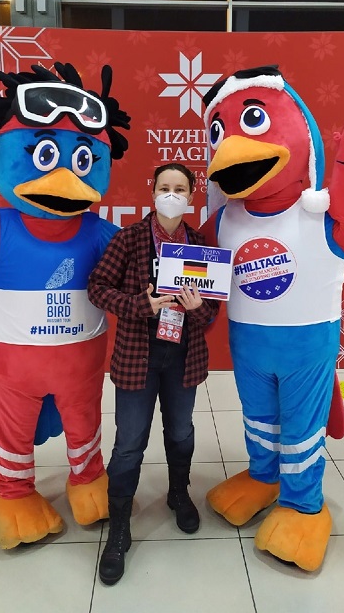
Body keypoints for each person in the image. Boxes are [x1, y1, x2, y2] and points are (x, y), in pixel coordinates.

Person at [87, 163, 220, 585]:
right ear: (154, 192)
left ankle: (178, 493)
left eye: (180, 188)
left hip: (183, 355)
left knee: (181, 431)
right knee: (129, 443)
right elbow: (97, 287)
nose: (171, 194)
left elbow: (212, 311)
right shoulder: (127, 239)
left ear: (191, 196)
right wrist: (140, 304)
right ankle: (119, 527)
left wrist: (198, 308)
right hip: (137, 356)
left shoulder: (201, 246)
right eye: (165, 187)